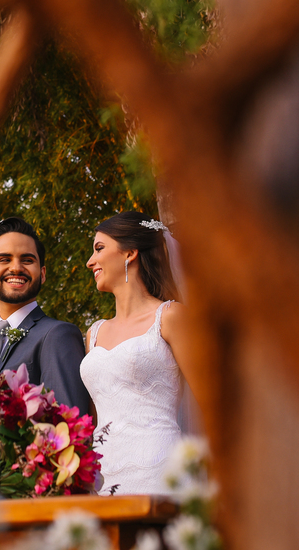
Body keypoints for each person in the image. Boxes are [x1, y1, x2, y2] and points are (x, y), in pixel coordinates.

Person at [80, 211, 189, 495]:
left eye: (99, 248)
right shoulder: (94, 333)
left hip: (160, 470)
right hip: (103, 475)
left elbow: (211, 399)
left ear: (130, 253)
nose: (90, 261)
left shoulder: (170, 317)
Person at [0, 218, 92, 420]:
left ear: (42, 274)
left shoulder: (58, 336)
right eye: (4, 259)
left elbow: (68, 425)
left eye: (27, 260)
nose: (16, 268)